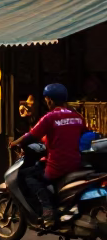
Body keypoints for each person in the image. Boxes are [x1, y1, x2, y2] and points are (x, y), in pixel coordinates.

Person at [10, 83, 86, 224]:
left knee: (28, 176)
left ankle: (47, 209)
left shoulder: (50, 117)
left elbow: (31, 136)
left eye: (46, 100)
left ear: (50, 100)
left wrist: (15, 143)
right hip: (76, 163)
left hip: (57, 165)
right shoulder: (77, 117)